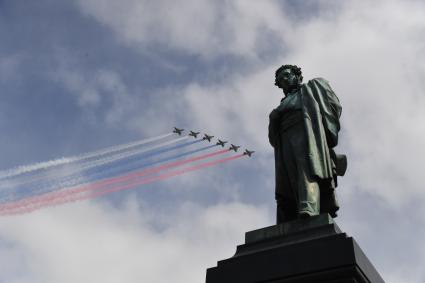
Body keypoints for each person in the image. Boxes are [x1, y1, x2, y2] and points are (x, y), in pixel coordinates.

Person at [268, 65, 346, 223]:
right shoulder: (281, 105)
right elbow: (272, 138)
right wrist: (274, 118)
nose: (284, 79)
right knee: (289, 178)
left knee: (308, 170)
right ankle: (292, 212)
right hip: (285, 138)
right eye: (280, 79)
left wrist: (323, 129)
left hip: (306, 133)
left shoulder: (313, 87)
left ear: (297, 76)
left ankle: (309, 207)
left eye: (287, 75)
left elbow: (333, 105)